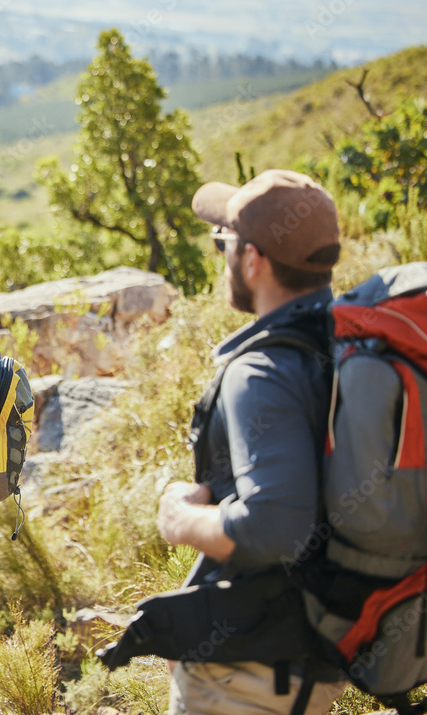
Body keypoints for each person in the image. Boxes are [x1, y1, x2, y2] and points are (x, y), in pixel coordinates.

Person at [155, 170, 349, 714]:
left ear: (254, 260)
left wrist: (180, 520)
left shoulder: (261, 372)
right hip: (313, 654)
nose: (221, 254)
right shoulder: (348, 344)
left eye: (225, 241)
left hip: (247, 672)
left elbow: (275, 527)